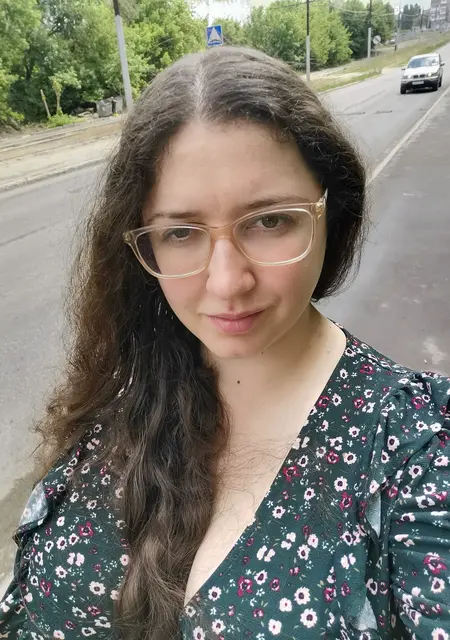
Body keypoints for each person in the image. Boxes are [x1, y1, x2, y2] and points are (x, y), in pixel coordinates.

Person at [0, 46, 449, 640]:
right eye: (182, 232)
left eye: (270, 221)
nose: (227, 283)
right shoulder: (118, 401)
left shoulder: (417, 455)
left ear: (330, 211)